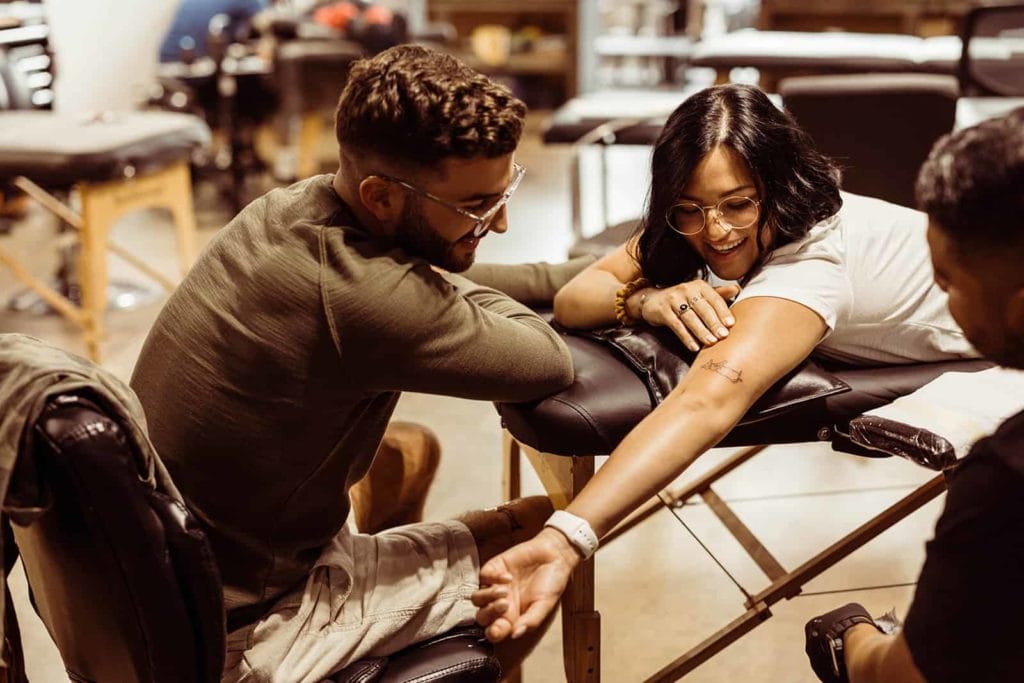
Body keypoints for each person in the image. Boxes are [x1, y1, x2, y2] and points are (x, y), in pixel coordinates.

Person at [130, 44, 589, 681]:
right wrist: (596, 294)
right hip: (237, 631)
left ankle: (385, 630)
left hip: (152, 586)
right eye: (478, 207)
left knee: (407, 450)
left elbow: (432, 284)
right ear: (380, 197)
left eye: (504, 192)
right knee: (544, 538)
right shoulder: (367, 299)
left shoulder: (290, 209)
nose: (502, 222)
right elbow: (545, 359)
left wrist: (599, 272)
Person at [471, 83, 977, 643]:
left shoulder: (810, 266)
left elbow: (707, 399)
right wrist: (646, 300)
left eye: (738, 204)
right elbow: (576, 295)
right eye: (690, 209)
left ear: (779, 187)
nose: (714, 233)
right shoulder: (699, 218)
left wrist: (566, 539)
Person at [804, 108, 1024, 683]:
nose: (942, 298)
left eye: (947, 282)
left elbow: (904, 676)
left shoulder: (1003, 479)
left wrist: (852, 633)